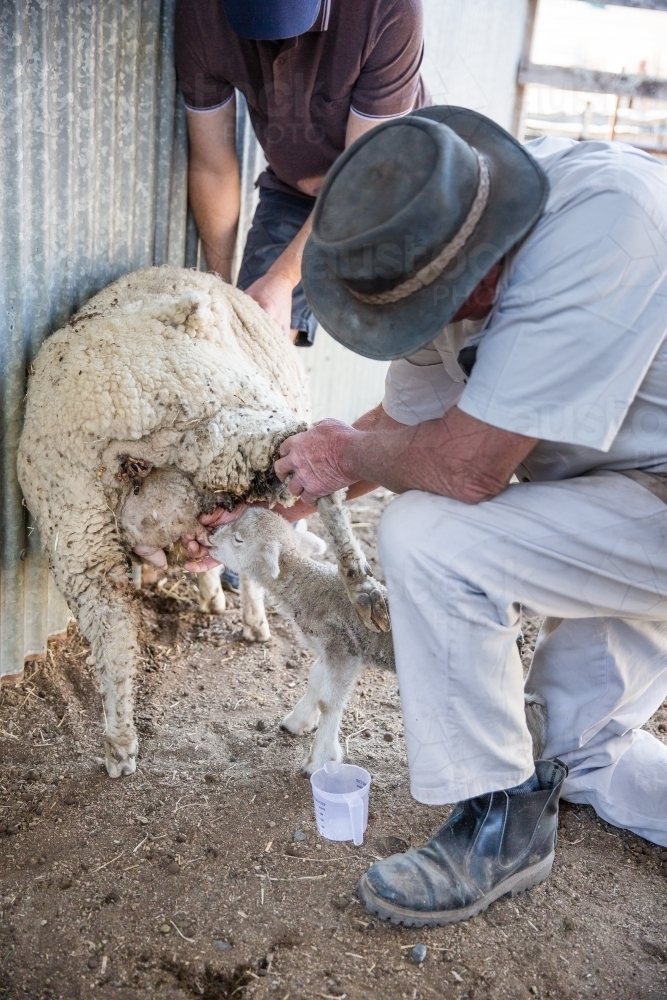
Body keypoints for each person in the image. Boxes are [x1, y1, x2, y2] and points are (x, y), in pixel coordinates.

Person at [234, 107, 667, 925]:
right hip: (619, 490)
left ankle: (496, 822)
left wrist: (347, 459)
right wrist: (270, 510)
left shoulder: (610, 222)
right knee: (578, 760)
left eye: (419, 310)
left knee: (428, 538)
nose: (412, 330)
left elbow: (465, 467)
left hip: (652, 499)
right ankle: (535, 785)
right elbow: (400, 430)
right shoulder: (424, 237)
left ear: (475, 258)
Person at [175, 0, 428, 591]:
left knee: (424, 375)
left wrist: (286, 279)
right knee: (252, 347)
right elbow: (213, 164)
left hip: (389, 187)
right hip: (294, 192)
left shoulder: (387, 10)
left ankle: (280, 514)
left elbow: (363, 179)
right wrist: (225, 290)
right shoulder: (201, 13)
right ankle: (252, 529)